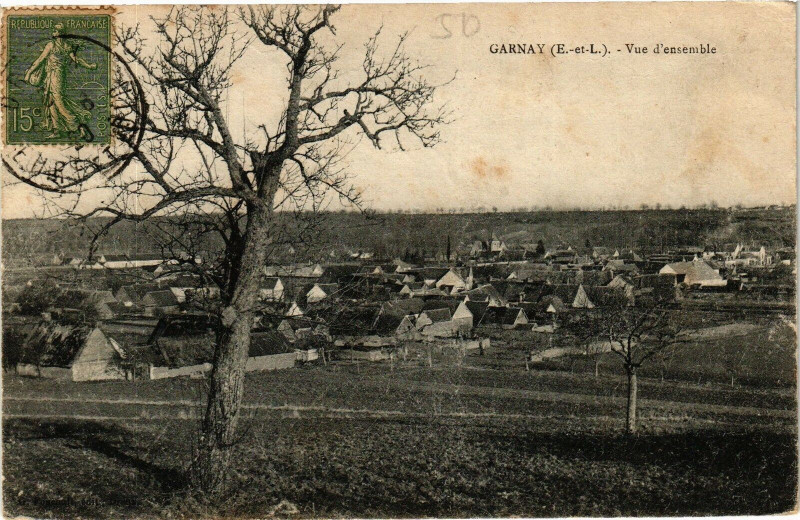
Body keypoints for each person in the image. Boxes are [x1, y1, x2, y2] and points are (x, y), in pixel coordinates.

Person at [24, 23, 97, 139]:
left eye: (55, 30)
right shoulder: (66, 46)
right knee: (51, 102)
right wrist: (89, 66)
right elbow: (76, 59)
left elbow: (40, 60)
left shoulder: (51, 45)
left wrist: (29, 73)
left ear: (59, 33)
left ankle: (78, 126)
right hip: (55, 76)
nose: (53, 32)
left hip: (55, 76)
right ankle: (57, 130)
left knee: (58, 102)